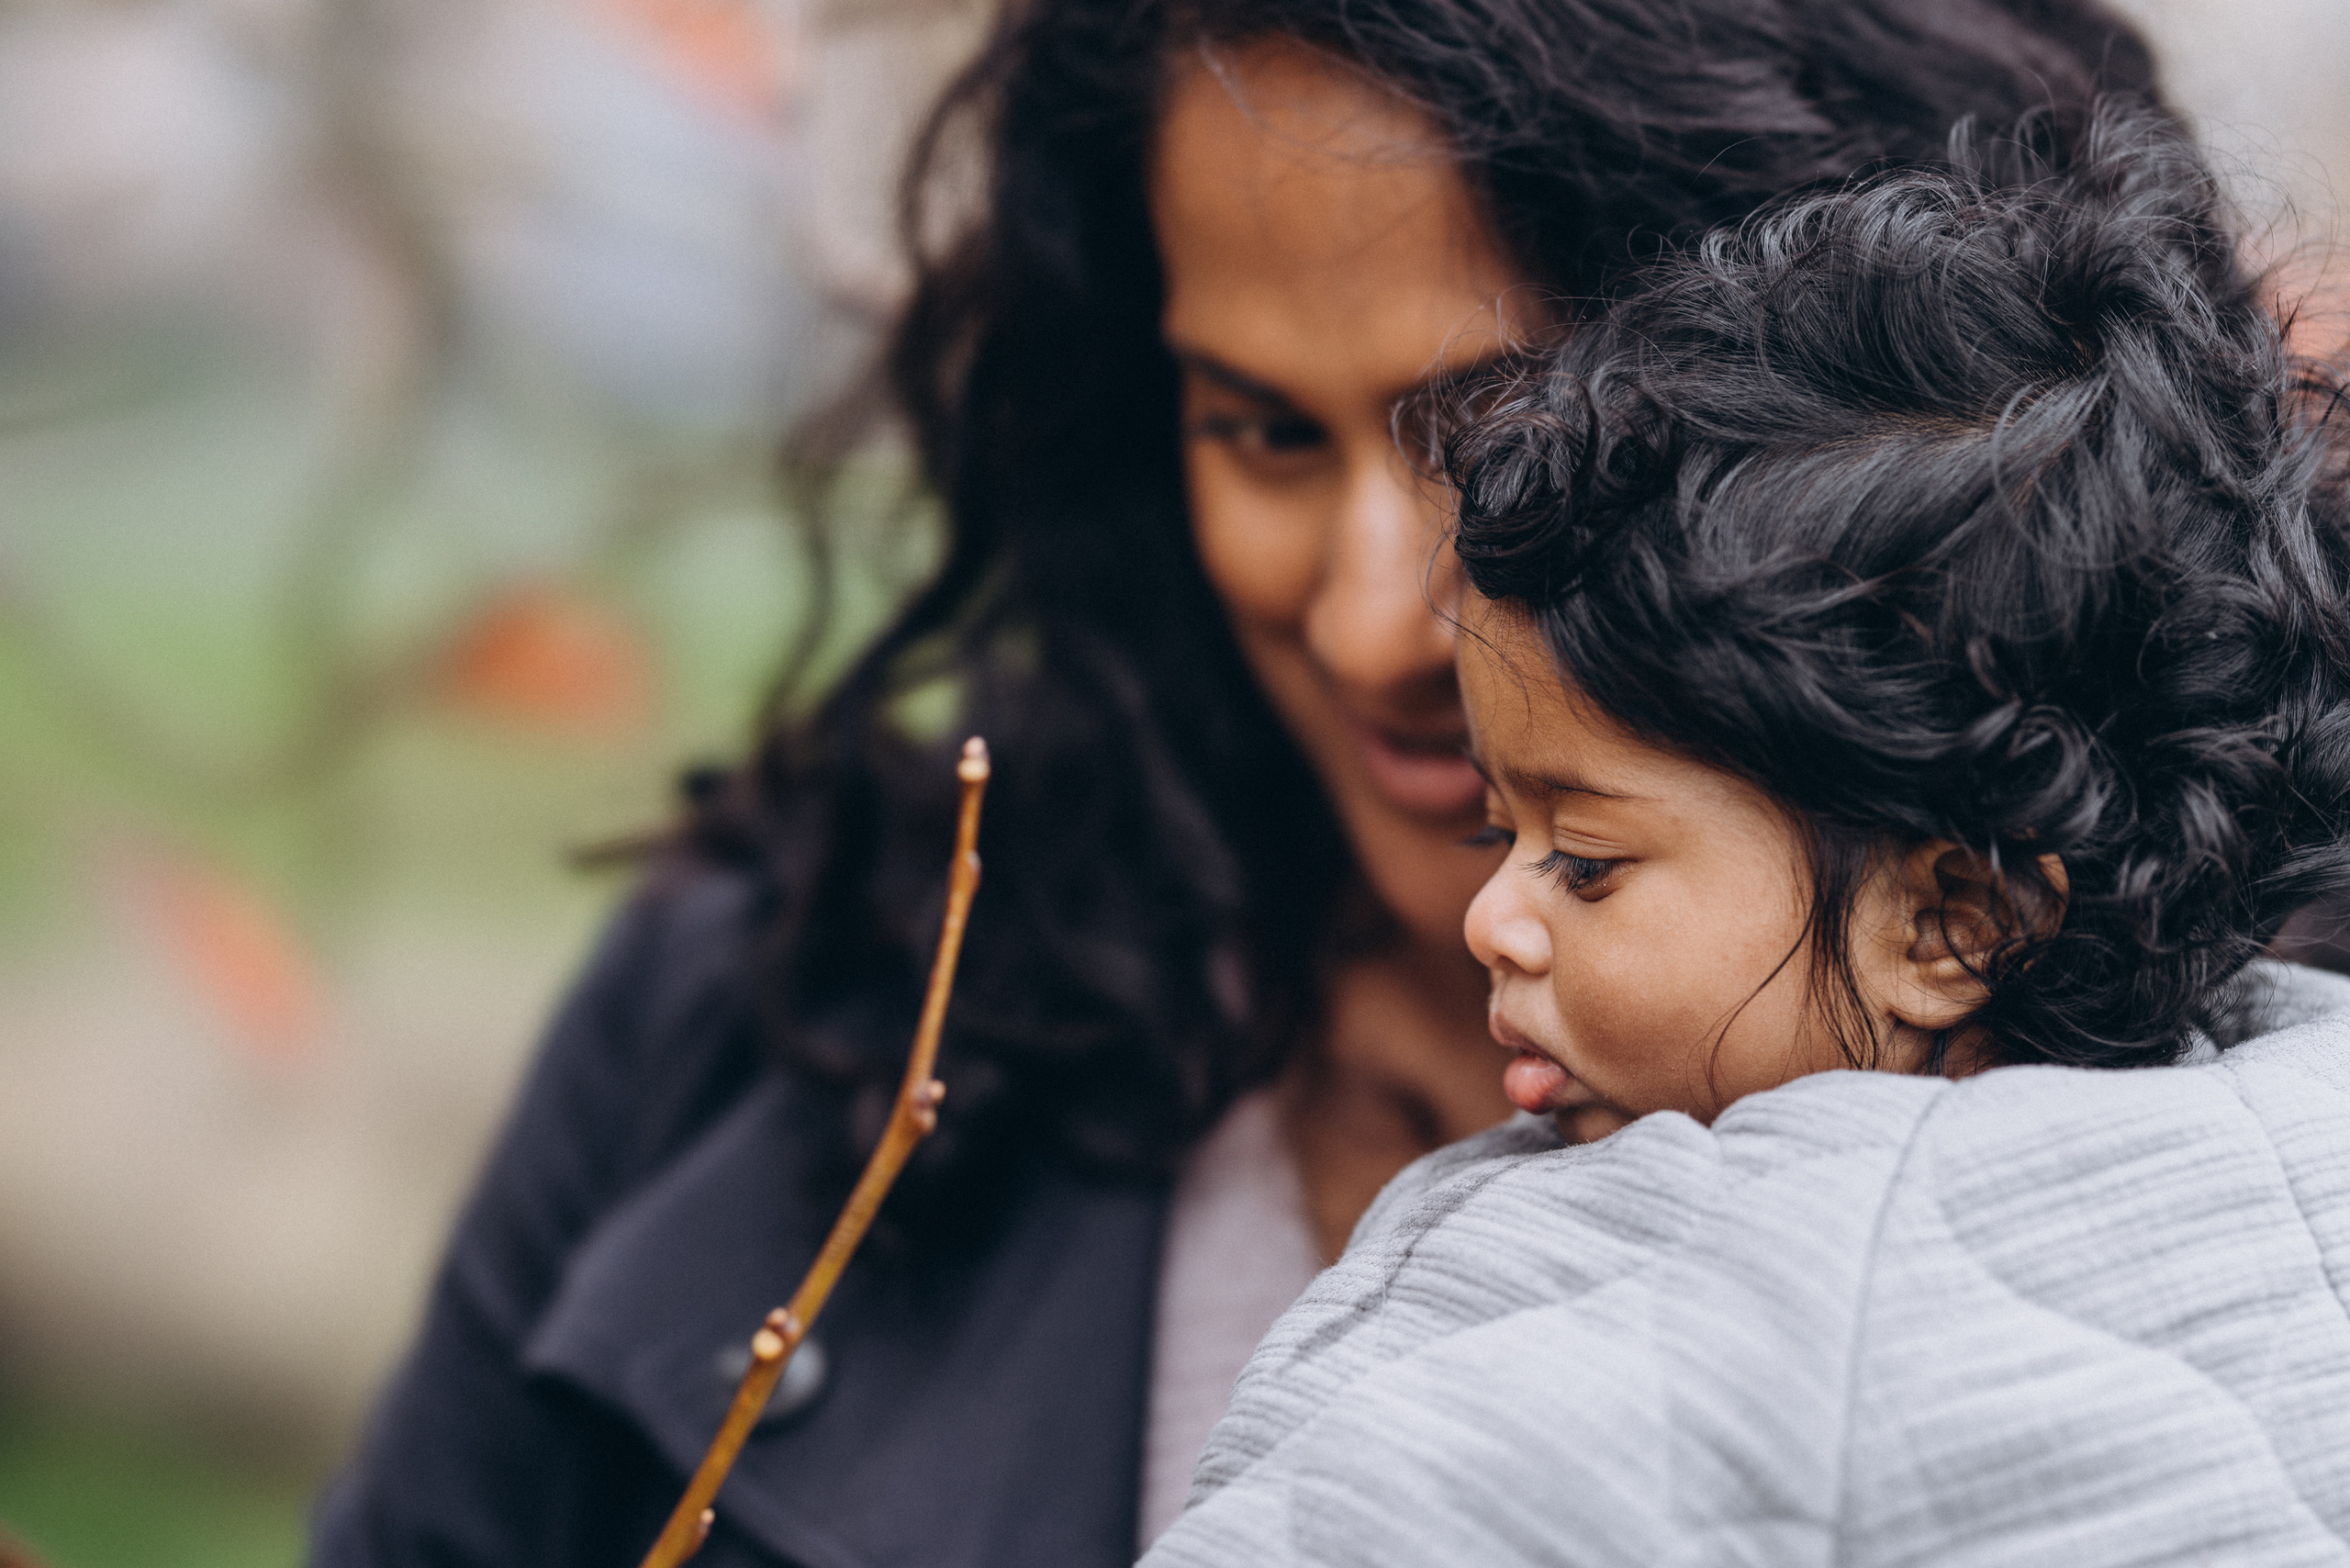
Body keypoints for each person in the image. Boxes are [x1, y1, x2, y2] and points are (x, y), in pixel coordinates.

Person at [310, 5, 2172, 1565]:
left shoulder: (2241, 1139)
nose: (1374, 619)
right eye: (1259, 429)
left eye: (1506, 440)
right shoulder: (784, 1001)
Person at [1144, 106, 2350, 1565]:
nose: (1494, 921)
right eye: (1496, 834)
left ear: (1953, 920)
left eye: (1585, 864)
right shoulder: (2291, 1126)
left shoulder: (1709, 1292)